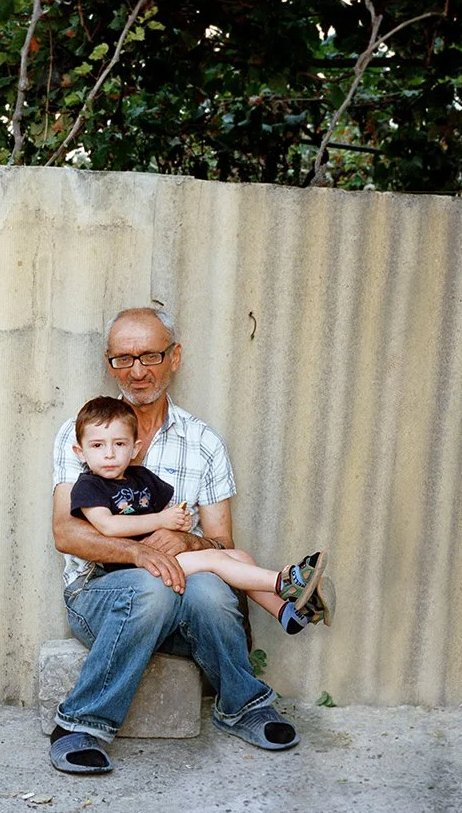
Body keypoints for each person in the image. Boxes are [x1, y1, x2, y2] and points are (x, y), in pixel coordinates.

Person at [47, 307, 314, 775]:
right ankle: (80, 724)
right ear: (109, 363)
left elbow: (220, 540)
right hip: (98, 597)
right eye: (122, 358)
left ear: (175, 357)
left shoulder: (203, 443)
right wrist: (141, 551)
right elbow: (66, 532)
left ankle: (243, 704)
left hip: (182, 597)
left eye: (149, 355)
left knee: (211, 587)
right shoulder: (86, 432)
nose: (137, 370)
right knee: (149, 585)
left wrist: (183, 540)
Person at [67, 395, 333, 634]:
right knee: (215, 560)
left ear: (135, 449)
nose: (110, 454)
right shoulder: (89, 485)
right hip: (133, 570)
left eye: (119, 444)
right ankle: (285, 581)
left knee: (240, 556)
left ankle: (287, 614)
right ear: (81, 452)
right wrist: (161, 520)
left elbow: (167, 512)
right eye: (98, 446)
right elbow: (108, 526)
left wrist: (177, 521)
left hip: (164, 558)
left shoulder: (141, 478)